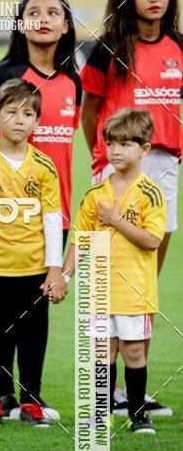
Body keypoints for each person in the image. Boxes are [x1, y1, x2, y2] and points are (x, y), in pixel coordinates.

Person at [0, 0, 79, 421]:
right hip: (4, 214)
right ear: (21, 22)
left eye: (54, 12)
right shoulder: (1, 76)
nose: (45, 19)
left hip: (54, 213)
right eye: (35, 11)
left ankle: (29, 395)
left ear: (66, 24)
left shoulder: (73, 79)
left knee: (36, 311)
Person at [80, 0, 182, 416]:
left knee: (143, 284)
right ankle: (108, 393)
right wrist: (102, 160)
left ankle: (131, 394)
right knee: (108, 284)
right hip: (116, 167)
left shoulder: (180, 45)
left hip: (163, 168)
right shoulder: (107, 50)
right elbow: (89, 111)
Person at [0, 78, 65, 427]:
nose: (20, 120)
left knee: (33, 340)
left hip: (34, 271)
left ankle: (31, 401)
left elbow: (53, 219)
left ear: (37, 121)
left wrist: (55, 270)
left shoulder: (44, 166)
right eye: (11, 112)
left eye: (28, 113)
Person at [63, 109, 166, 433]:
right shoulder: (96, 194)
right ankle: (100, 413)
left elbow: (151, 240)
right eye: (111, 143)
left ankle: (137, 414)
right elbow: (80, 239)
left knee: (134, 352)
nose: (116, 151)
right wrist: (64, 277)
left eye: (125, 144)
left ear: (144, 149)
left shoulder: (151, 193)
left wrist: (118, 221)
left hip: (135, 292)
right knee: (102, 353)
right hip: (100, 291)